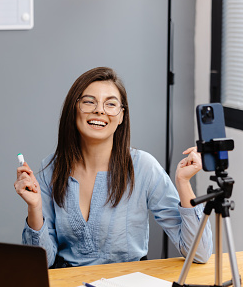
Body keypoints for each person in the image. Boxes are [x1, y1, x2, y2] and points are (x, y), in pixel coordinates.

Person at [14, 67, 212, 268]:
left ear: (121, 116)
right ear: (73, 109)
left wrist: (183, 182)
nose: (99, 110)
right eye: (89, 102)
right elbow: (40, 263)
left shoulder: (143, 166)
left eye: (110, 104)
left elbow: (200, 253)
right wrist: (35, 207)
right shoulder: (51, 169)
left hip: (127, 286)